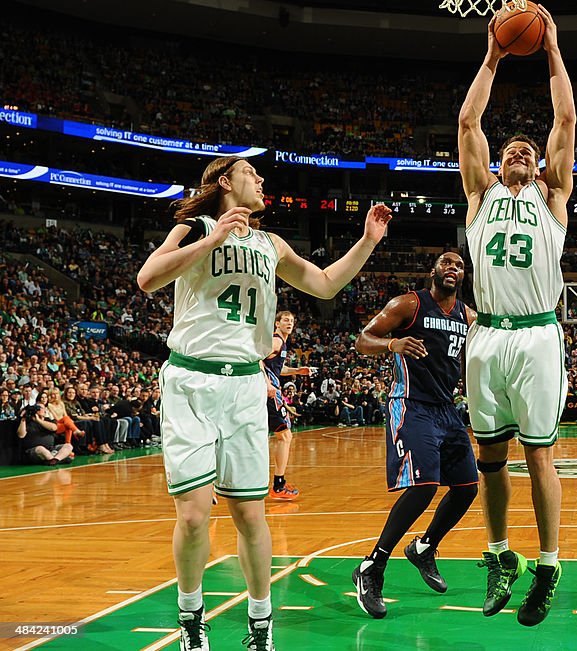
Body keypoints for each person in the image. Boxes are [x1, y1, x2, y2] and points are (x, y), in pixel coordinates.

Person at [136, 156, 391, 651]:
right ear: (226, 181)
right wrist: (211, 241)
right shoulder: (195, 226)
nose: (262, 180)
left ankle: (260, 625)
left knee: (251, 516)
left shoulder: (271, 244)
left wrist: (366, 242)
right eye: (253, 173)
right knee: (191, 516)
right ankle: (192, 620)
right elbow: (148, 278)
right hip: (191, 379)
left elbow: (324, 283)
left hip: (246, 385)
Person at [457, 2, 575, 626]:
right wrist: (494, 56)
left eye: (530, 149)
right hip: (487, 338)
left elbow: (564, 116)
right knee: (491, 458)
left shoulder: (552, 197)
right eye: (512, 149)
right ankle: (500, 554)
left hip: (535, 336)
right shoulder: (479, 198)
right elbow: (469, 119)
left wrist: (551, 50)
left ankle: (549, 564)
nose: (522, 151)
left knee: (539, 456)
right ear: (496, 166)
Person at [351, 252, 479, 619]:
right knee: (424, 485)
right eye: (447, 263)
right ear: (434, 271)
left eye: (459, 266)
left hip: (447, 410)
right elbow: (363, 339)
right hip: (411, 404)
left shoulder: (466, 316)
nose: (453, 268)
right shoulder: (408, 304)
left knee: (468, 487)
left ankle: (425, 547)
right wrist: (393, 344)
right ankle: (372, 566)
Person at [264, 311, 317, 501]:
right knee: (285, 435)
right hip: (267, 391)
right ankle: (278, 485)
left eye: (292, 321)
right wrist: (268, 384)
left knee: (279, 435)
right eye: (285, 320)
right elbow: (256, 360)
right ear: (277, 323)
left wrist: (297, 370)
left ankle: (275, 483)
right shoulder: (275, 341)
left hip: (268, 388)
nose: (289, 323)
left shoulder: (282, 344)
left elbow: (276, 368)